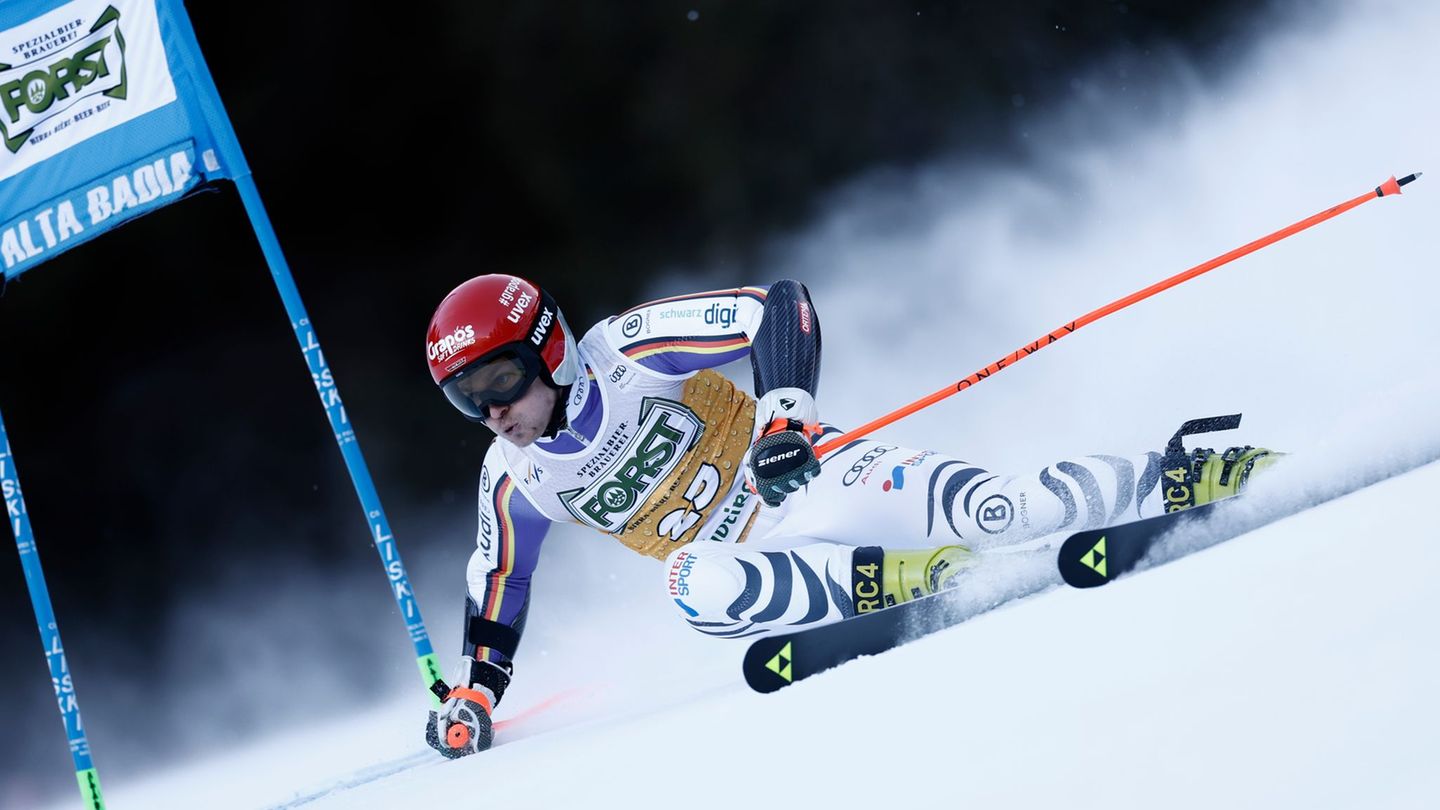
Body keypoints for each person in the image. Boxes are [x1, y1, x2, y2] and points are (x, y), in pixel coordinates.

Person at [422, 274, 1278, 757]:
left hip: (821, 480)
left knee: (1002, 509)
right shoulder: (517, 478)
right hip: (768, 570)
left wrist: (787, 413)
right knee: (692, 585)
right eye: (467, 400)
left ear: (551, 349)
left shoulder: (626, 351)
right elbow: (500, 586)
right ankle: (915, 580)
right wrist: (475, 692)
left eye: (499, 381)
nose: (492, 412)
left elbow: (775, 306)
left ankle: (1186, 474)